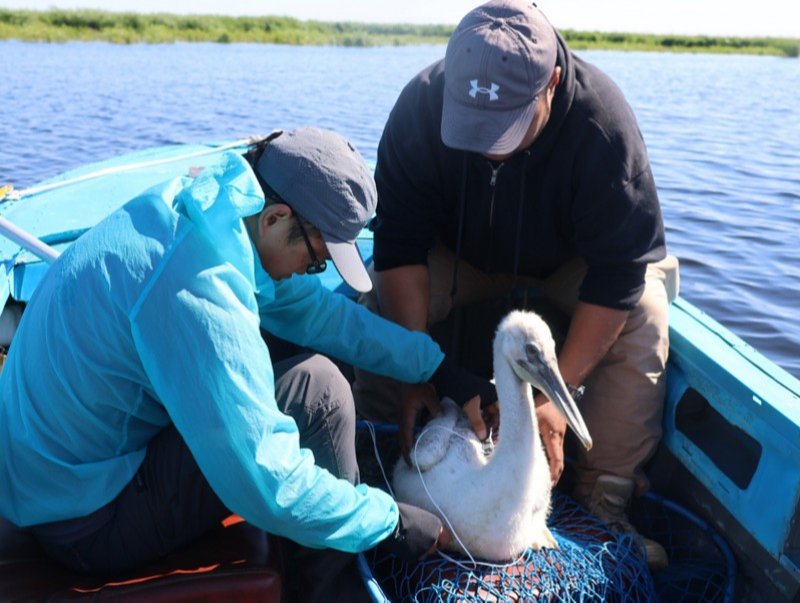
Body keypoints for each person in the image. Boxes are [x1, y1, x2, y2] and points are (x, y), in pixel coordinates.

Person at [0, 127, 497, 602]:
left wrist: (435, 368)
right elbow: (269, 485)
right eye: (319, 259)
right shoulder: (199, 287)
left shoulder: (208, 209)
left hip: (52, 479)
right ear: (277, 218)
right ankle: (334, 593)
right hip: (85, 524)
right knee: (319, 391)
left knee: (304, 369)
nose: (314, 272)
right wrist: (390, 523)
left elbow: (317, 311)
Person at [352, 0, 678, 569]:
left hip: (566, 267)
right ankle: (388, 449)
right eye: (471, 128)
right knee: (377, 301)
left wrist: (557, 394)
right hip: (462, 258)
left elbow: (620, 271)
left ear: (551, 82)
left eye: (505, 126)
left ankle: (604, 497)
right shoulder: (419, 106)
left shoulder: (602, 124)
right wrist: (414, 370)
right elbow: (399, 244)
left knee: (647, 310)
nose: (486, 146)